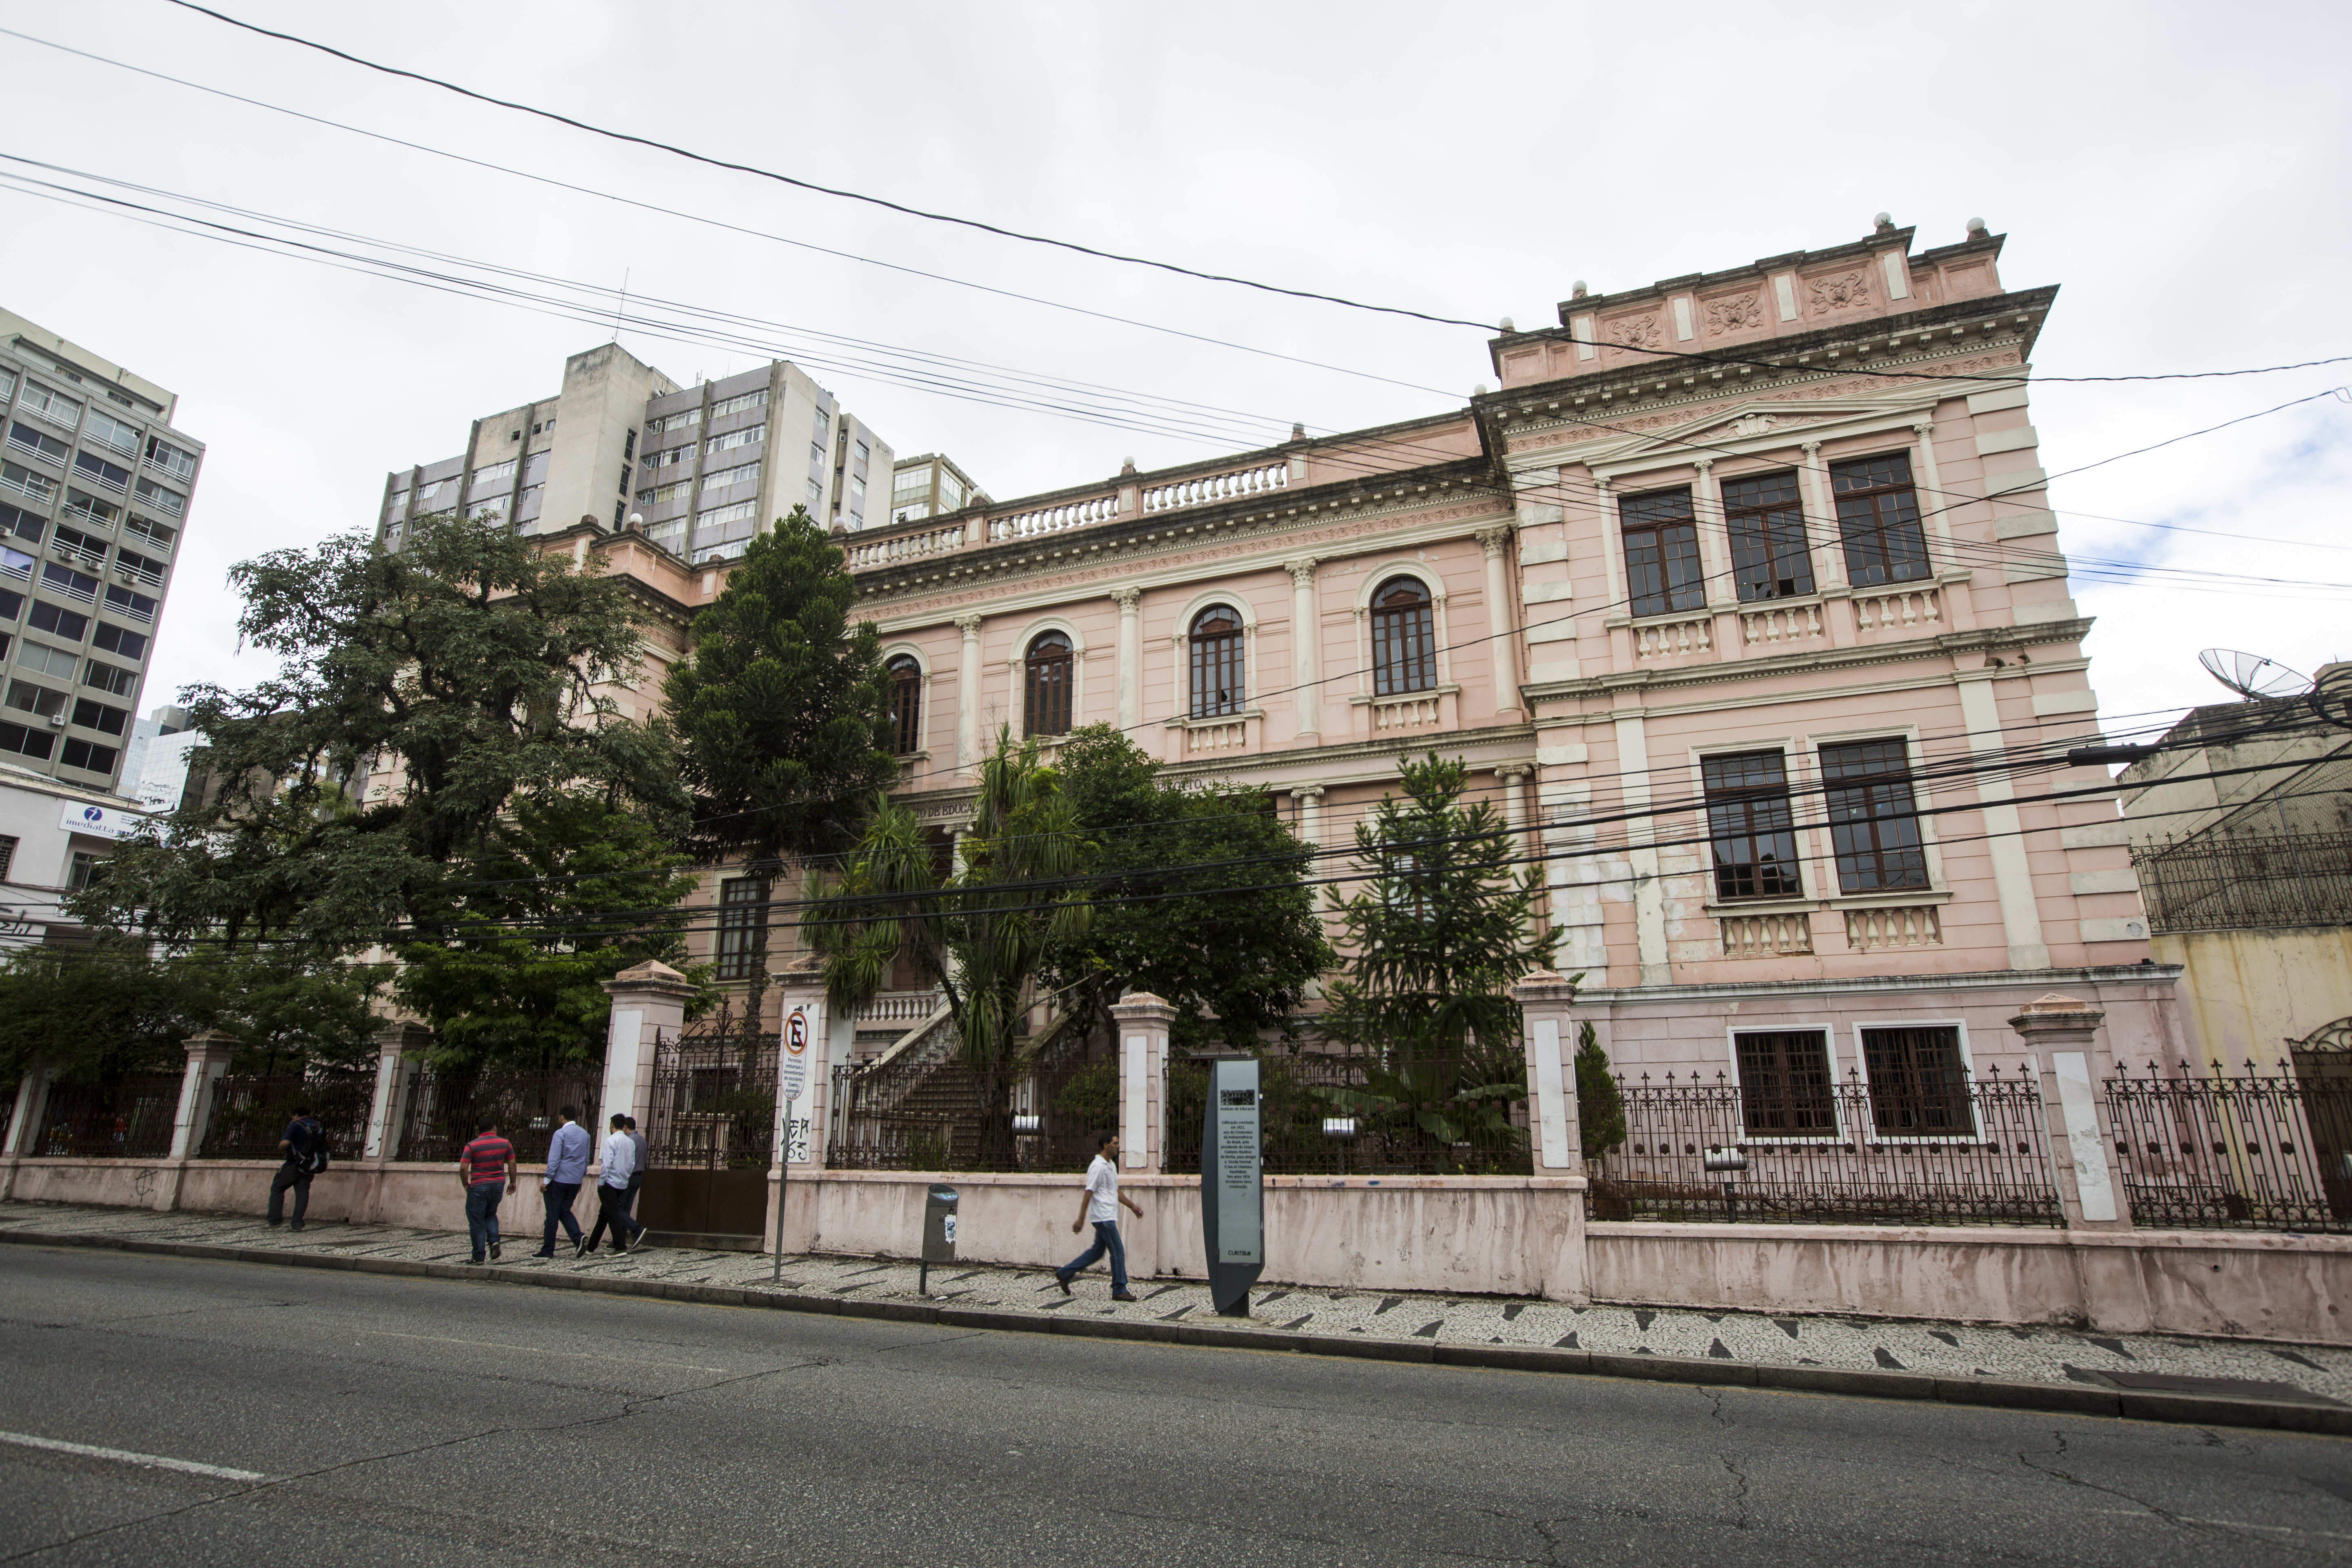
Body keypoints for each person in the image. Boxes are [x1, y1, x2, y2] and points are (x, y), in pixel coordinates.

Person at [1055, 1132, 1143, 1301]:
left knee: (1097, 1252)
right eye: (1115, 1143)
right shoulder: (1098, 1166)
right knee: (1118, 1251)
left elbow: (1115, 1191)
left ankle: (1064, 1273)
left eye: (1118, 1144)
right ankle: (1119, 1289)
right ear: (1105, 1145)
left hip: (1108, 1215)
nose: (1118, 1146)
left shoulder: (1110, 1166)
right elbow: (1089, 1193)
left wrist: (1132, 1206)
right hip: (1103, 1217)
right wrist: (1080, 1219)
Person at [459, 1116, 518, 1264]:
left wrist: (466, 1184)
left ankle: (478, 1256)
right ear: (494, 1128)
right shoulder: (505, 1144)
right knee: (491, 1214)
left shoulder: (472, 1146)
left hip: (479, 1186)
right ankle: (494, 1241)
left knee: (477, 1221)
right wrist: (513, 1182)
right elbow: (512, 1164)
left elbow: (464, 1168)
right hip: (498, 1186)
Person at [583, 1114, 645, 1254]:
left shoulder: (610, 1141)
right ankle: (592, 1246)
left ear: (612, 1125)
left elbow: (607, 1165)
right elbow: (632, 1164)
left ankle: (620, 1246)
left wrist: (602, 1182)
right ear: (623, 1126)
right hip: (623, 1183)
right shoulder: (630, 1142)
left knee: (612, 1214)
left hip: (610, 1183)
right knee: (604, 1214)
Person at [538, 1105, 592, 1258]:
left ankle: (547, 1250)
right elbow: (586, 1160)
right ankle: (578, 1237)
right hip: (575, 1180)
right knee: (565, 1211)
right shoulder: (585, 1135)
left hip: (559, 1179)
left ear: (562, 1117)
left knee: (552, 1216)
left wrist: (546, 1181)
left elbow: (554, 1160)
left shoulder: (560, 1133)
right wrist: (580, 1178)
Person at [266, 1105, 325, 1232]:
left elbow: (285, 1143)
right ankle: (297, 1224)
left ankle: (274, 1221)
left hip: (293, 1164)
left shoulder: (295, 1125)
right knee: (303, 1193)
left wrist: (281, 1146)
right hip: (310, 1165)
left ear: (296, 1114)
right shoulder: (318, 1126)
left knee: (277, 1188)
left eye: (292, 1116)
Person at [624, 1115, 652, 1251]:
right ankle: (621, 1237)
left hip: (629, 1177)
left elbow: (627, 1162)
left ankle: (636, 1230)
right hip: (639, 1176)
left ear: (625, 1127)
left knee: (620, 1209)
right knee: (626, 1208)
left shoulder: (629, 1141)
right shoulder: (642, 1140)